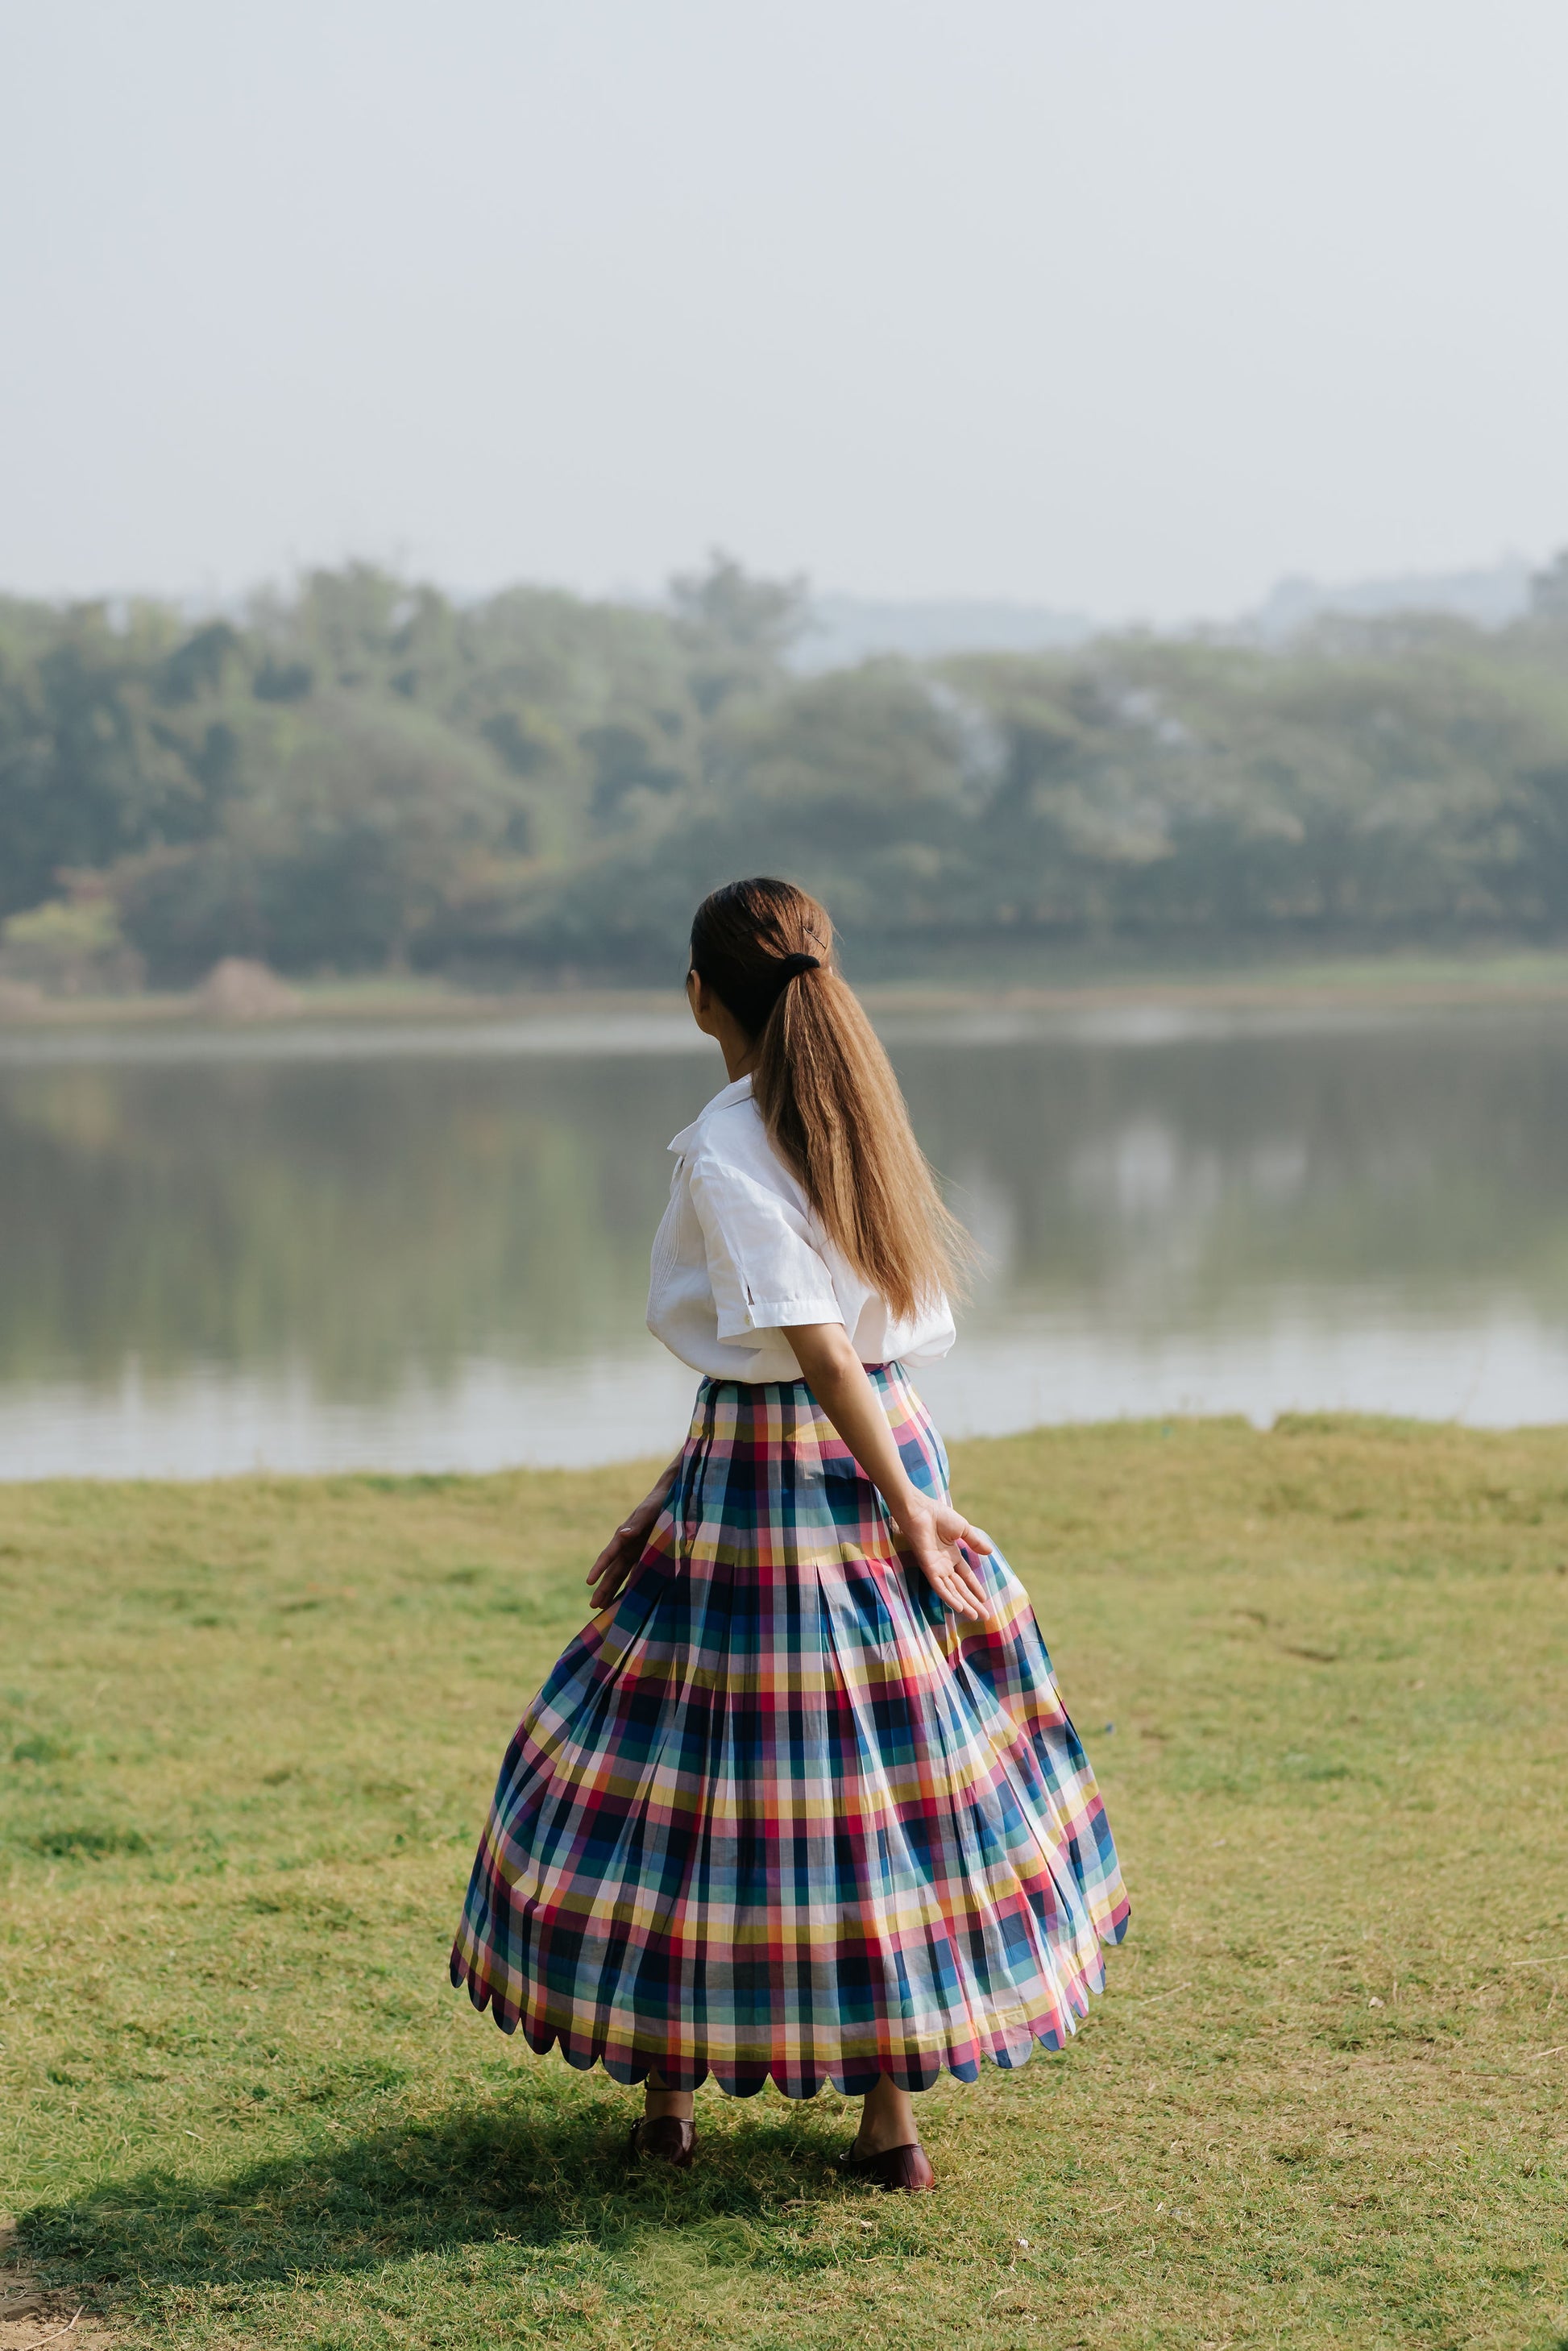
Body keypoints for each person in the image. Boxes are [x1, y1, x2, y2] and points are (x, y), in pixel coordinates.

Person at [451, 877, 1127, 2191]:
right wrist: (889, 1492)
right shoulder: (854, 1110)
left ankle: (668, 2099)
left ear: (698, 994)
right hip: (861, 1446)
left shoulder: (722, 1137)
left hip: (793, 1478)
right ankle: (888, 2129)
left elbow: (810, 1351)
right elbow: (825, 1352)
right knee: (880, 1772)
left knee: (703, 1769)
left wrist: (897, 1508)